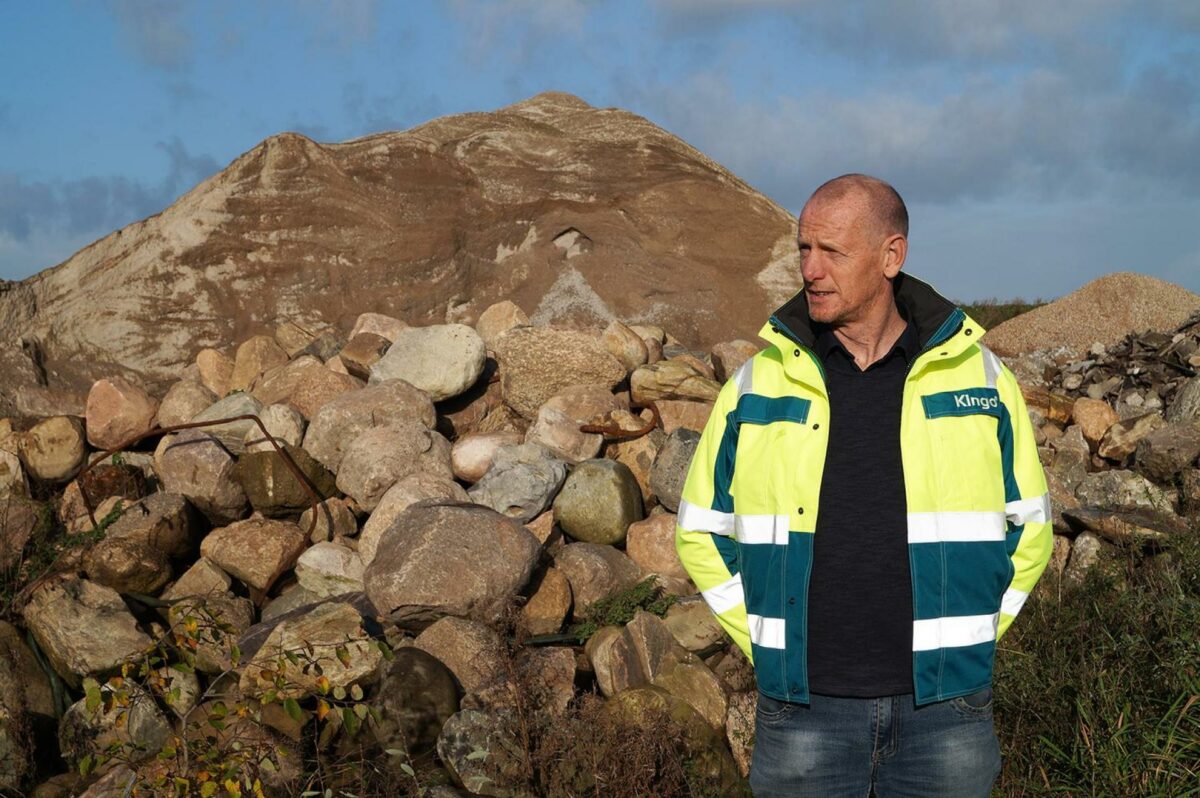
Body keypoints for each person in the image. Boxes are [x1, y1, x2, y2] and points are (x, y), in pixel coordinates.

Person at [674, 174, 1052, 797]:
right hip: (803, 714)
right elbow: (699, 529)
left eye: (832, 252)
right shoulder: (758, 382)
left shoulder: (979, 377)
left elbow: (1030, 524)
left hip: (945, 713)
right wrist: (769, 644)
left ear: (891, 256)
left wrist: (973, 637)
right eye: (803, 249)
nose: (810, 269)